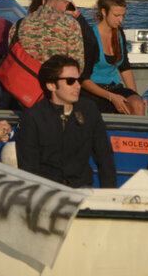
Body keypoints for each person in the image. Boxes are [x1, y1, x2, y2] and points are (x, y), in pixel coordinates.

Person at [16, 55, 117, 188]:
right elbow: (28, 168)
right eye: (70, 81)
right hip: (46, 192)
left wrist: (108, 196)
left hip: (82, 189)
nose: (78, 86)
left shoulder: (89, 110)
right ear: (51, 85)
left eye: (78, 80)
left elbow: (104, 157)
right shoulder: (33, 117)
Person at [80, 0, 145, 115]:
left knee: (137, 104)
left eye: (123, 15)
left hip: (114, 88)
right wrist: (112, 97)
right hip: (93, 91)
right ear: (104, 12)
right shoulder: (91, 37)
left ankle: (135, 134)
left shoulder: (119, 34)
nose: (121, 20)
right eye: (116, 15)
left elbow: (125, 68)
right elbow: (83, 80)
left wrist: (136, 96)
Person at [7, 0, 85, 70]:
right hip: (52, 81)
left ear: (44, 0)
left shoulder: (18, 25)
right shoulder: (70, 25)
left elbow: (10, 58)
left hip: (22, 81)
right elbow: (77, 66)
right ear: (66, 4)